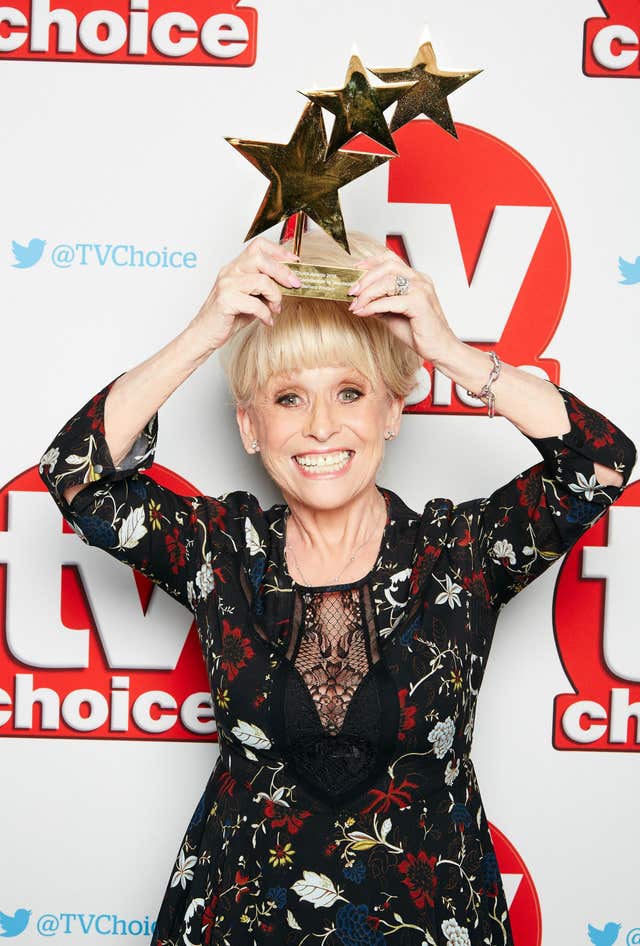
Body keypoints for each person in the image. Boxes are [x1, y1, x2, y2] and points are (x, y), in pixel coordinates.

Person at [39, 228, 636, 946]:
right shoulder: (222, 551)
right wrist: (206, 332)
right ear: (250, 427)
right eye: (288, 398)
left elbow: (600, 464)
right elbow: (77, 475)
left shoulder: (460, 554)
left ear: (392, 410)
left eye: (349, 392)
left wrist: (446, 348)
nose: (321, 427)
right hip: (240, 924)